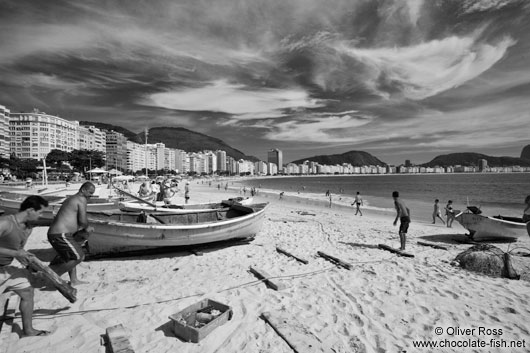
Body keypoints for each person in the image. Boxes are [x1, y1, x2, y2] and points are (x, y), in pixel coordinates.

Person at [0, 195, 51, 336]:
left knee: (27, 292)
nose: (41, 216)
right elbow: (14, 251)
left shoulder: (28, 228)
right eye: (40, 212)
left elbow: (18, 249)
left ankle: (28, 330)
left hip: (7, 268)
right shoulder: (5, 223)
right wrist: (15, 253)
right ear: (30, 210)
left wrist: (30, 262)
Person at [47, 182, 95, 286]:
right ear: (83, 190)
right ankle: (51, 276)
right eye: (90, 193)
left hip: (60, 234)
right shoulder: (81, 199)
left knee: (72, 256)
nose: (91, 196)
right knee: (79, 257)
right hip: (60, 234)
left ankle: (73, 280)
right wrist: (87, 228)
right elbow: (82, 220)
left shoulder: (71, 199)